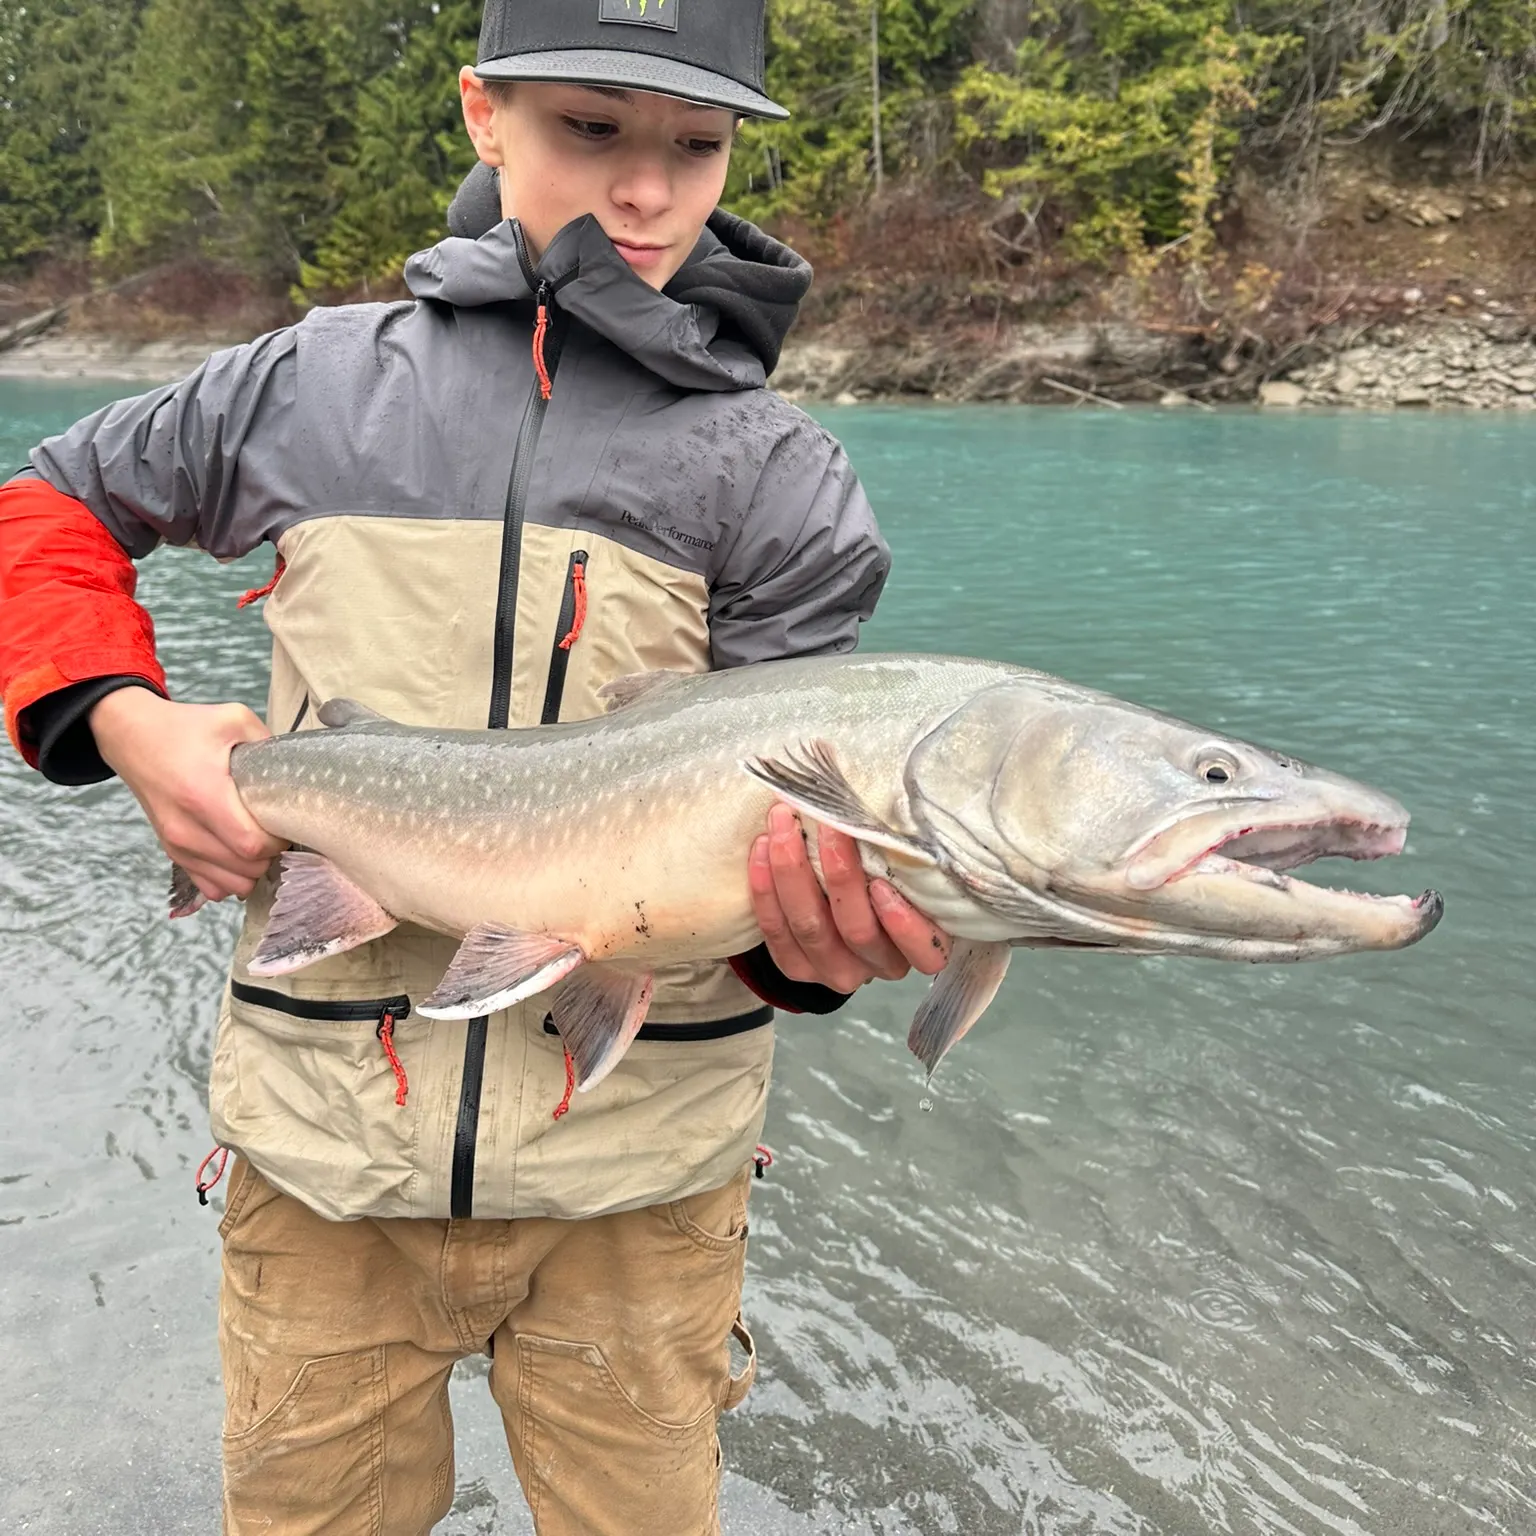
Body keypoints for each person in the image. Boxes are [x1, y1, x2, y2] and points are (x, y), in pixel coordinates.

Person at [0, 1, 950, 1531]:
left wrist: (823, 951)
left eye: (695, 146)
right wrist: (121, 714)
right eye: (591, 129)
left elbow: (783, 861)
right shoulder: (302, 385)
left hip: (641, 1181)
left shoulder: (784, 480)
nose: (645, 191)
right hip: (319, 1156)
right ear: (479, 112)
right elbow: (42, 511)